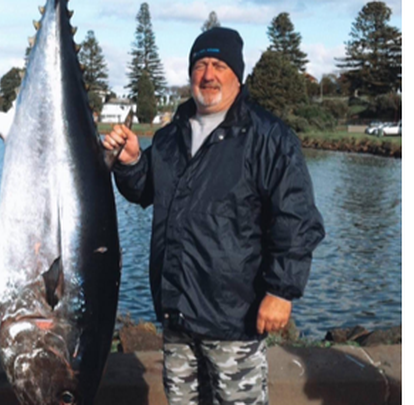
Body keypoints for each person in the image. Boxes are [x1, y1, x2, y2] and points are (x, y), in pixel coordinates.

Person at [103, 27, 325, 405]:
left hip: (234, 321)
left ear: (237, 74)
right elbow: (145, 191)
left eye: (219, 65)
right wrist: (132, 162)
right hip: (177, 315)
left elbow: (297, 219)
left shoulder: (269, 137)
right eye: (200, 65)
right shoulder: (171, 137)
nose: (208, 75)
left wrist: (281, 291)